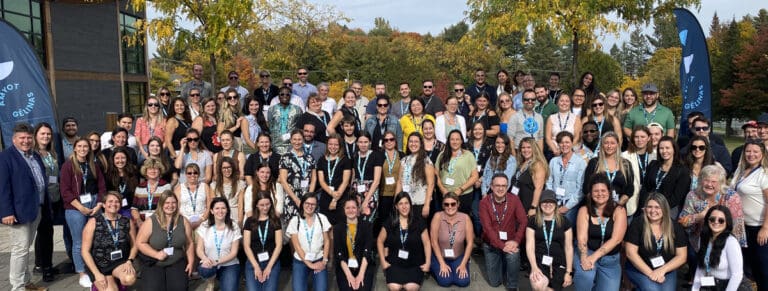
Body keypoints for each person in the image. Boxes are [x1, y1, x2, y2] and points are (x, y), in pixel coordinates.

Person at [0, 123, 51, 291]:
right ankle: (18, 287)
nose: (26, 141)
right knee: (20, 249)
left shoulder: (34, 155)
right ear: (14, 139)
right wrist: (6, 212)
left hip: (36, 208)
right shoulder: (5, 157)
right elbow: (3, 187)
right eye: (22, 138)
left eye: (29, 137)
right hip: (18, 211)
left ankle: (27, 282)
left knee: (25, 247)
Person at [679, 164, 747, 284]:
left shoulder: (730, 197)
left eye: (714, 182)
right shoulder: (693, 195)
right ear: (701, 181)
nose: (709, 184)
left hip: (724, 242)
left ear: (721, 183)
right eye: (706, 180)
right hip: (698, 241)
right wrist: (700, 216)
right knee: (698, 269)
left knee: (722, 272)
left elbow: (737, 225)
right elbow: (683, 221)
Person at [61, 137, 107, 287]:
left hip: (94, 204)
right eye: (79, 146)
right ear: (74, 148)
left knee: (95, 239)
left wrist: (99, 204)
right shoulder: (68, 166)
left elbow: (102, 186)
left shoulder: (93, 165)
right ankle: (82, 272)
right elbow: (65, 191)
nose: (82, 149)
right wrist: (80, 207)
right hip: (75, 206)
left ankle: (95, 268)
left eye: (85, 146)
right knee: (79, 242)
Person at [573, 174, 628, 291]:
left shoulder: (619, 210)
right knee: (585, 276)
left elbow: (616, 239)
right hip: (587, 252)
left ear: (609, 191)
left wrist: (594, 257)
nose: (600, 194)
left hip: (610, 260)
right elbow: (582, 238)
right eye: (596, 191)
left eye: (603, 190)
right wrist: (584, 257)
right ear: (590, 193)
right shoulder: (584, 210)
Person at [624, 193, 688, 291]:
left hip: (666, 270)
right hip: (639, 268)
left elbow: (682, 256)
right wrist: (651, 273)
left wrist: (662, 270)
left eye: (657, 207)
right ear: (645, 209)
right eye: (649, 207)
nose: (653, 211)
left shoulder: (675, 227)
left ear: (664, 209)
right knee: (651, 289)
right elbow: (630, 253)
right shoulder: (638, 223)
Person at [136, 191, 195, 291]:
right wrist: (156, 254)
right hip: (155, 262)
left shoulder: (183, 221)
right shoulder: (151, 221)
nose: (170, 206)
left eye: (173, 203)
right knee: (153, 288)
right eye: (167, 203)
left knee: (179, 288)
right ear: (161, 204)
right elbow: (140, 242)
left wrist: (191, 262)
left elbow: (189, 242)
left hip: (176, 261)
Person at [731, 139, 768, 290]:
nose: (751, 154)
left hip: (759, 227)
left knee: (763, 268)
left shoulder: (764, 174)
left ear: (762, 154)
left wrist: (765, 227)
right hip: (742, 226)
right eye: (748, 151)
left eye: (755, 152)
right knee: (751, 266)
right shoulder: (741, 170)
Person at [479, 174, 527, 290]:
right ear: (491, 186)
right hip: (491, 244)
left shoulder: (514, 199)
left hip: (509, 242)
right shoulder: (484, 203)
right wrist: (502, 246)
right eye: (497, 185)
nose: (500, 189)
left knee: (513, 254)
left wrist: (516, 241)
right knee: (495, 283)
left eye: (504, 186)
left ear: (507, 186)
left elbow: (523, 221)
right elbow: (487, 229)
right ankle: (502, 262)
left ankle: (512, 286)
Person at [81, 192, 138, 291]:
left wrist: (130, 261)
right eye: (110, 201)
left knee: (129, 278)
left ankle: (116, 281)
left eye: (117, 202)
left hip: (119, 262)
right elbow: (85, 251)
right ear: (103, 204)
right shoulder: (93, 222)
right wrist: (96, 274)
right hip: (99, 265)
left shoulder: (127, 221)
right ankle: (96, 285)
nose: (114, 204)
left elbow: (135, 245)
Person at [377, 192, 431, 291]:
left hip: (414, 263)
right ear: (396, 206)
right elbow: (380, 241)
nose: (404, 206)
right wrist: (383, 261)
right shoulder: (390, 221)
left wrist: (427, 263)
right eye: (401, 204)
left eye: (406, 203)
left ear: (410, 205)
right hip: (395, 263)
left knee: (411, 288)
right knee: (394, 287)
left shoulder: (419, 221)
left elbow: (427, 243)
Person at [526, 190, 574, 291]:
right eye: (544, 202)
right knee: (538, 285)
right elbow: (530, 246)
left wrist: (568, 272)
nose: (548, 204)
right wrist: (534, 267)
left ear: (556, 205)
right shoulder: (533, 221)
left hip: (559, 262)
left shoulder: (564, 221)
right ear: (540, 204)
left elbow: (569, 247)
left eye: (551, 202)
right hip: (539, 261)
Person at [692, 206, 744, 290]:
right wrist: (695, 288)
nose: (716, 222)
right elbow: (701, 267)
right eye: (712, 219)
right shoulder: (703, 238)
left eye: (721, 220)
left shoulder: (731, 242)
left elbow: (737, 275)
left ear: (727, 222)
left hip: (728, 285)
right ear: (707, 220)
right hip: (710, 283)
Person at [31, 122, 59, 283]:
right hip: (42, 200)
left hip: (53, 198)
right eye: (42, 134)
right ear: (36, 135)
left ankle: (41, 263)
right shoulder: (33, 154)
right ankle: (45, 267)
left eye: (48, 134)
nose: (46, 136)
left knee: (45, 233)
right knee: (44, 233)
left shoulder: (51, 153)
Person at [287, 194, 332, 291]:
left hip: (318, 259)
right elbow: (297, 247)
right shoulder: (295, 221)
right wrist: (310, 264)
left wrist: (324, 261)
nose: (310, 206)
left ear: (316, 206)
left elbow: (327, 241)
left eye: (313, 204)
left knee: (321, 289)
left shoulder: (322, 218)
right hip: (301, 260)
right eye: (307, 203)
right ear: (302, 204)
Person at [195, 197, 241, 291]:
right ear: (211, 211)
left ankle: (221, 277)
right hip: (209, 263)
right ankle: (210, 280)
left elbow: (234, 253)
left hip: (229, 264)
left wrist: (217, 262)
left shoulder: (234, 226)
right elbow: (199, 249)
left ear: (227, 210)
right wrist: (205, 259)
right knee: (205, 270)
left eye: (223, 208)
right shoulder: (204, 226)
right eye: (217, 208)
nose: (220, 211)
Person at [429, 193, 474, 287]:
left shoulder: (465, 218)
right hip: (440, 256)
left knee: (463, 282)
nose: (450, 207)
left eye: (453, 204)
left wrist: (463, 264)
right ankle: (432, 266)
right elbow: (433, 242)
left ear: (458, 204)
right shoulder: (437, 216)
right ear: (443, 205)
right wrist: (441, 263)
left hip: (458, 256)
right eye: (446, 204)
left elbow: (470, 243)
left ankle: (457, 268)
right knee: (445, 281)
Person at [243, 192, 283, 291]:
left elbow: (279, 245)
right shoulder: (249, 221)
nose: (265, 208)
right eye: (262, 205)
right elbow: (246, 246)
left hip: (271, 261)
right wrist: (256, 266)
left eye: (267, 204)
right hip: (253, 261)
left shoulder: (275, 220)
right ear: (256, 205)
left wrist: (269, 267)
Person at [583, 131, 635, 208]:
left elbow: (630, 189)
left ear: (617, 145)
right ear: (602, 145)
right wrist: (599, 205)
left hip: (618, 207)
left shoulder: (626, 164)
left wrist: (619, 204)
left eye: (612, 143)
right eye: (606, 143)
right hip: (597, 207)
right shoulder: (594, 162)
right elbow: (586, 188)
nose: (609, 146)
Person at [643, 136, 692, 216]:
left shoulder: (682, 170)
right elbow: (645, 187)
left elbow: (677, 197)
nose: (664, 151)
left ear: (674, 150)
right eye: (661, 148)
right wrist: (646, 205)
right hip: (649, 207)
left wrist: (659, 209)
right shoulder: (653, 165)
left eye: (667, 148)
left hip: (668, 209)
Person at [334, 198, 376, 291]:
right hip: (345, 267)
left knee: (363, 288)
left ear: (357, 209)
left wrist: (361, 274)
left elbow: (367, 251)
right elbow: (338, 253)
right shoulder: (337, 228)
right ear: (344, 210)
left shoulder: (367, 226)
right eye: (348, 208)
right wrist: (349, 275)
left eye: (353, 207)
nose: (351, 210)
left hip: (363, 266)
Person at [436, 130, 479, 216]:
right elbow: (436, 174)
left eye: (457, 139)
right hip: (445, 194)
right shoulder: (442, 155)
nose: (455, 142)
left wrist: (460, 190)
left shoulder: (468, 155)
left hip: (463, 195)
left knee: (462, 220)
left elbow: (475, 176)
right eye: (452, 139)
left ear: (461, 141)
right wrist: (443, 190)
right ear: (449, 141)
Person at [279, 129, 317, 226]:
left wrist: (309, 196)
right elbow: (283, 180)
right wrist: (296, 199)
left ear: (303, 140)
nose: (297, 142)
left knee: (308, 225)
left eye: (299, 139)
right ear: (291, 140)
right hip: (292, 197)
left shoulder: (309, 157)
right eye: (294, 139)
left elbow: (313, 179)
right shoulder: (285, 157)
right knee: (293, 227)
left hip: (307, 197)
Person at [546, 131, 586, 223]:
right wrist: (552, 201)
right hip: (554, 201)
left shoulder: (580, 162)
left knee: (566, 221)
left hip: (572, 203)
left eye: (567, 142)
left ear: (572, 143)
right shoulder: (553, 161)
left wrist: (566, 207)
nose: (564, 145)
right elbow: (549, 182)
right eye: (561, 142)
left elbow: (580, 189)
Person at [396, 132, 435, 221]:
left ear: (421, 144)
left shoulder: (426, 161)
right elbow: (399, 181)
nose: (413, 144)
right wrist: (396, 201)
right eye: (411, 141)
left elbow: (431, 184)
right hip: (405, 204)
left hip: (420, 203)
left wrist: (427, 205)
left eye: (416, 142)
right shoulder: (404, 160)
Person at [316, 134, 352, 225]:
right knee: (326, 226)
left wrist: (335, 200)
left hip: (341, 197)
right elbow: (321, 181)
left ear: (340, 146)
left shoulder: (345, 160)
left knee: (340, 226)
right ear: (327, 145)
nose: (333, 147)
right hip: (326, 196)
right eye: (330, 144)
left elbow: (345, 181)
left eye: (336, 145)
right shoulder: (321, 160)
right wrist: (332, 193)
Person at [621, 126, 657, 218]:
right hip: (631, 199)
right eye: (636, 137)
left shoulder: (656, 155)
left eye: (642, 137)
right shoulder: (624, 156)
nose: (639, 140)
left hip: (650, 199)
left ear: (648, 138)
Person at [513, 137, 549, 216]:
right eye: (523, 147)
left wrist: (533, 208)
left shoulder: (537, 164)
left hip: (529, 206)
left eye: (529, 147)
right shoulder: (521, 163)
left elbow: (538, 188)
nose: (526, 150)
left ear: (534, 149)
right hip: (518, 204)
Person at [352, 133, 383, 222]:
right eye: (360, 142)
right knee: (355, 220)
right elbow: (354, 176)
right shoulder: (354, 156)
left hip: (370, 192)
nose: (363, 145)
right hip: (356, 192)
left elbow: (377, 180)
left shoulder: (376, 156)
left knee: (367, 222)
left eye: (365, 142)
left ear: (370, 143)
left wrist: (366, 200)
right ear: (357, 143)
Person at [132, 158, 173, 226]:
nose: (153, 171)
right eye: (150, 168)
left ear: (160, 171)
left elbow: (169, 207)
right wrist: (139, 221)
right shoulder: (139, 188)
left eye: (155, 168)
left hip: (160, 220)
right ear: (145, 171)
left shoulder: (166, 186)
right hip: (142, 221)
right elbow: (134, 209)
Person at [175, 163, 214, 231]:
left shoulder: (205, 186)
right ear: (186, 174)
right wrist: (186, 221)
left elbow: (209, 206)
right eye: (189, 173)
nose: (192, 175)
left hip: (202, 221)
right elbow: (176, 208)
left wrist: (200, 221)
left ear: (198, 174)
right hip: (184, 221)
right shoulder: (179, 188)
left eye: (195, 173)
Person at [268, 86, 304, 154]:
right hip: (275, 145)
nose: (285, 96)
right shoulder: (271, 109)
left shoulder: (297, 110)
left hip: (292, 145)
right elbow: (270, 126)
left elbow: (300, 127)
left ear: (290, 96)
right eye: (282, 94)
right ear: (278, 96)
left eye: (287, 94)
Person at [105, 147, 139, 218]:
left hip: (130, 209)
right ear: (113, 160)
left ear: (127, 159)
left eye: (123, 158)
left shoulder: (134, 173)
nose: (120, 161)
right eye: (117, 158)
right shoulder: (108, 175)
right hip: (113, 209)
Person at [211, 157, 246, 225]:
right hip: (219, 217)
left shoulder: (240, 184)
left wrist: (240, 222)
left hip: (235, 217)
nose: (227, 170)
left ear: (233, 168)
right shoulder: (214, 186)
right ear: (220, 169)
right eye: (224, 168)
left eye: (229, 167)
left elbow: (240, 206)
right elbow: (213, 206)